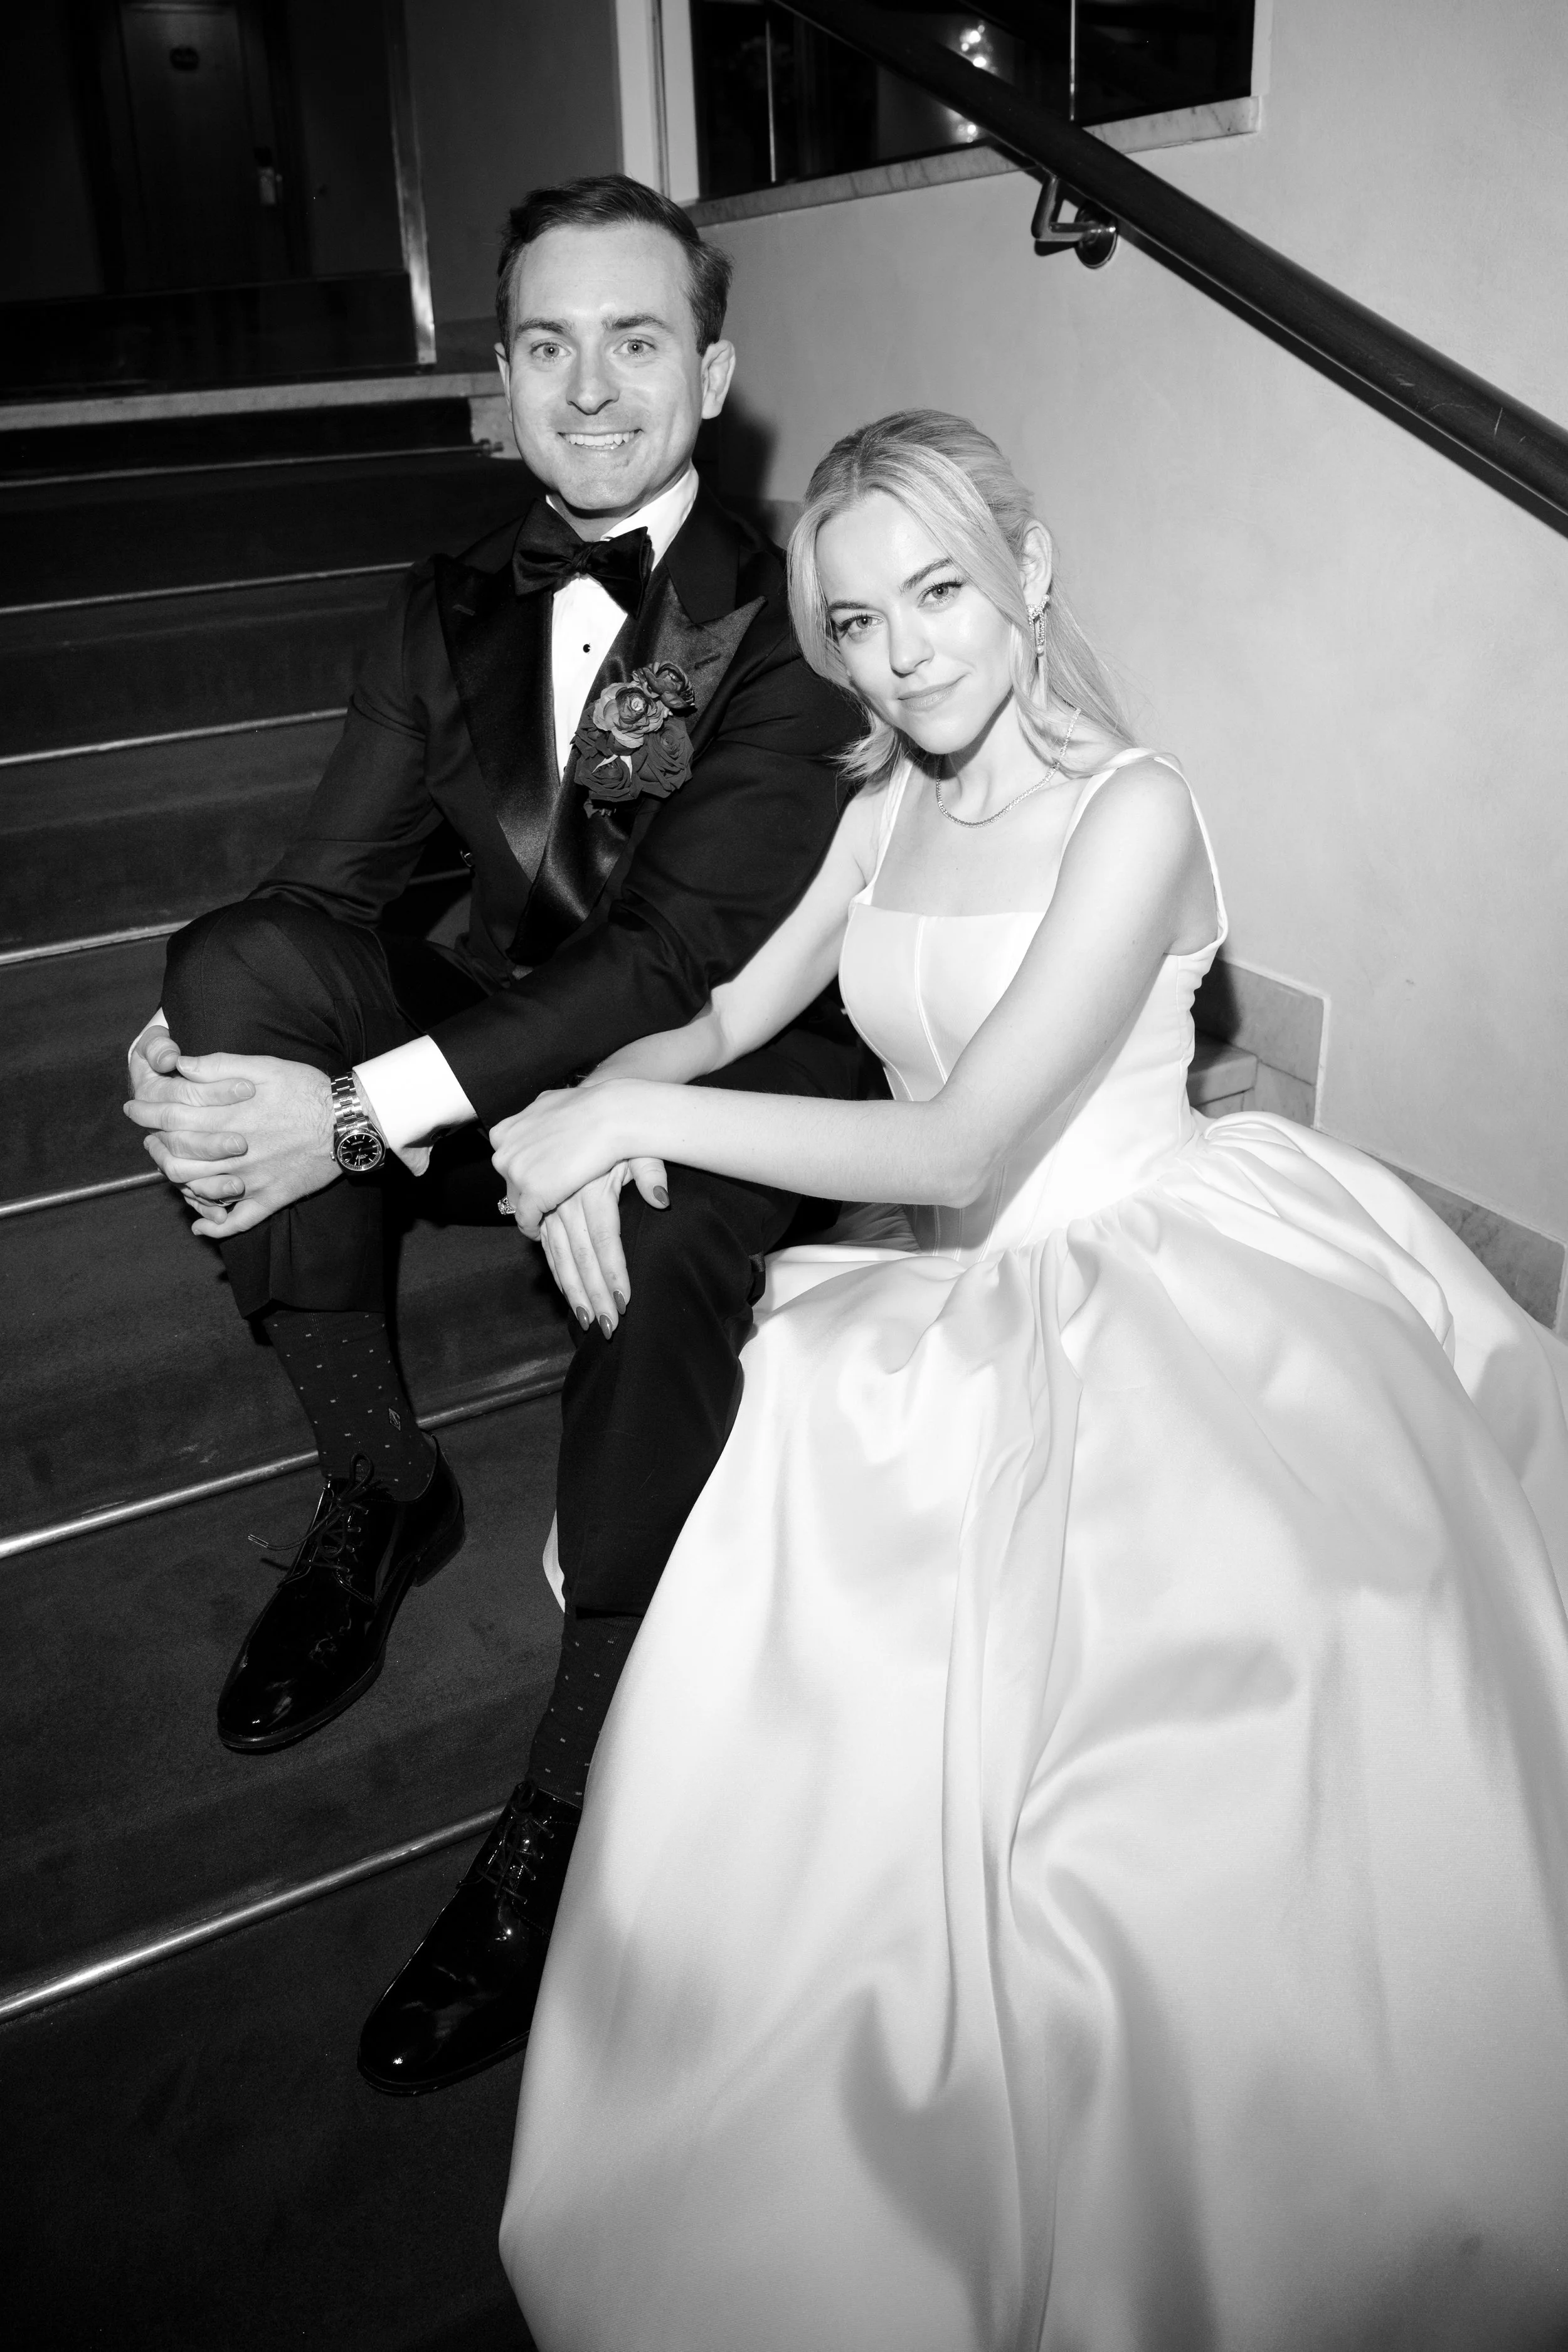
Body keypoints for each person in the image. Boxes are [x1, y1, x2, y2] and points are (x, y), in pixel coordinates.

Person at [489, 410, 1568, 2349]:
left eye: (939, 593)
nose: (903, 654)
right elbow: (725, 1014)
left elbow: (962, 1139)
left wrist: (616, 1121)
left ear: (1028, 573)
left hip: (1154, 1272)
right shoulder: (879, 805)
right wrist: (594, 1104)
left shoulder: (1131, 809)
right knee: (829, 1710)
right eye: (854, 620)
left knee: (1149, 1803)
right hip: (944, 1299)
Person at [120, 174, 884, 2096]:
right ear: (505, 373)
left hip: (724, 1064)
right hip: (494, 1054)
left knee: (671, 1211)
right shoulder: (444, 598)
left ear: (711, 372)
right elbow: (328, 888)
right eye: (548, 344)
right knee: (236, 964)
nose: (591, 387)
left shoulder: (795, 613)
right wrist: (207, 1040)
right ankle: (385, 1487)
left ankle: (565, 1795)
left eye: (635, 340)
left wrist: (352, 1115)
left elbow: (670, 959)